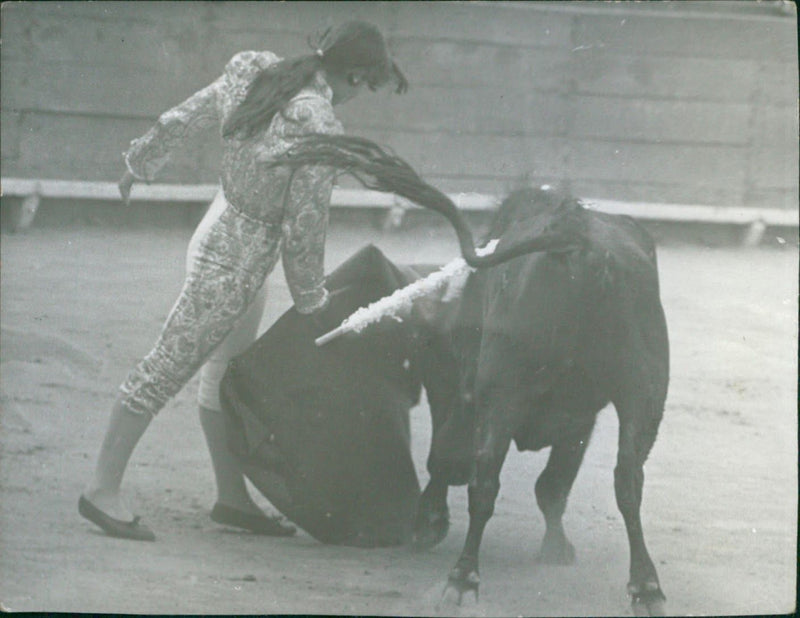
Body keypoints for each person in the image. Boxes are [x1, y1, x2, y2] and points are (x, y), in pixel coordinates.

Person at [78, 21, 408, 541]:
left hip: (220, 228)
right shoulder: (318, 123)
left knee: (220, 373)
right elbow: (304, 227)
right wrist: (313, 303)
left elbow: (189, 112)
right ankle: (101, 489)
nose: (355, 98)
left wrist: (140, 162)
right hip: (235, 262)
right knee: (170, 365)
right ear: (353, 75)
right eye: (363, 86)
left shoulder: (256, 68)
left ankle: (232, 500)